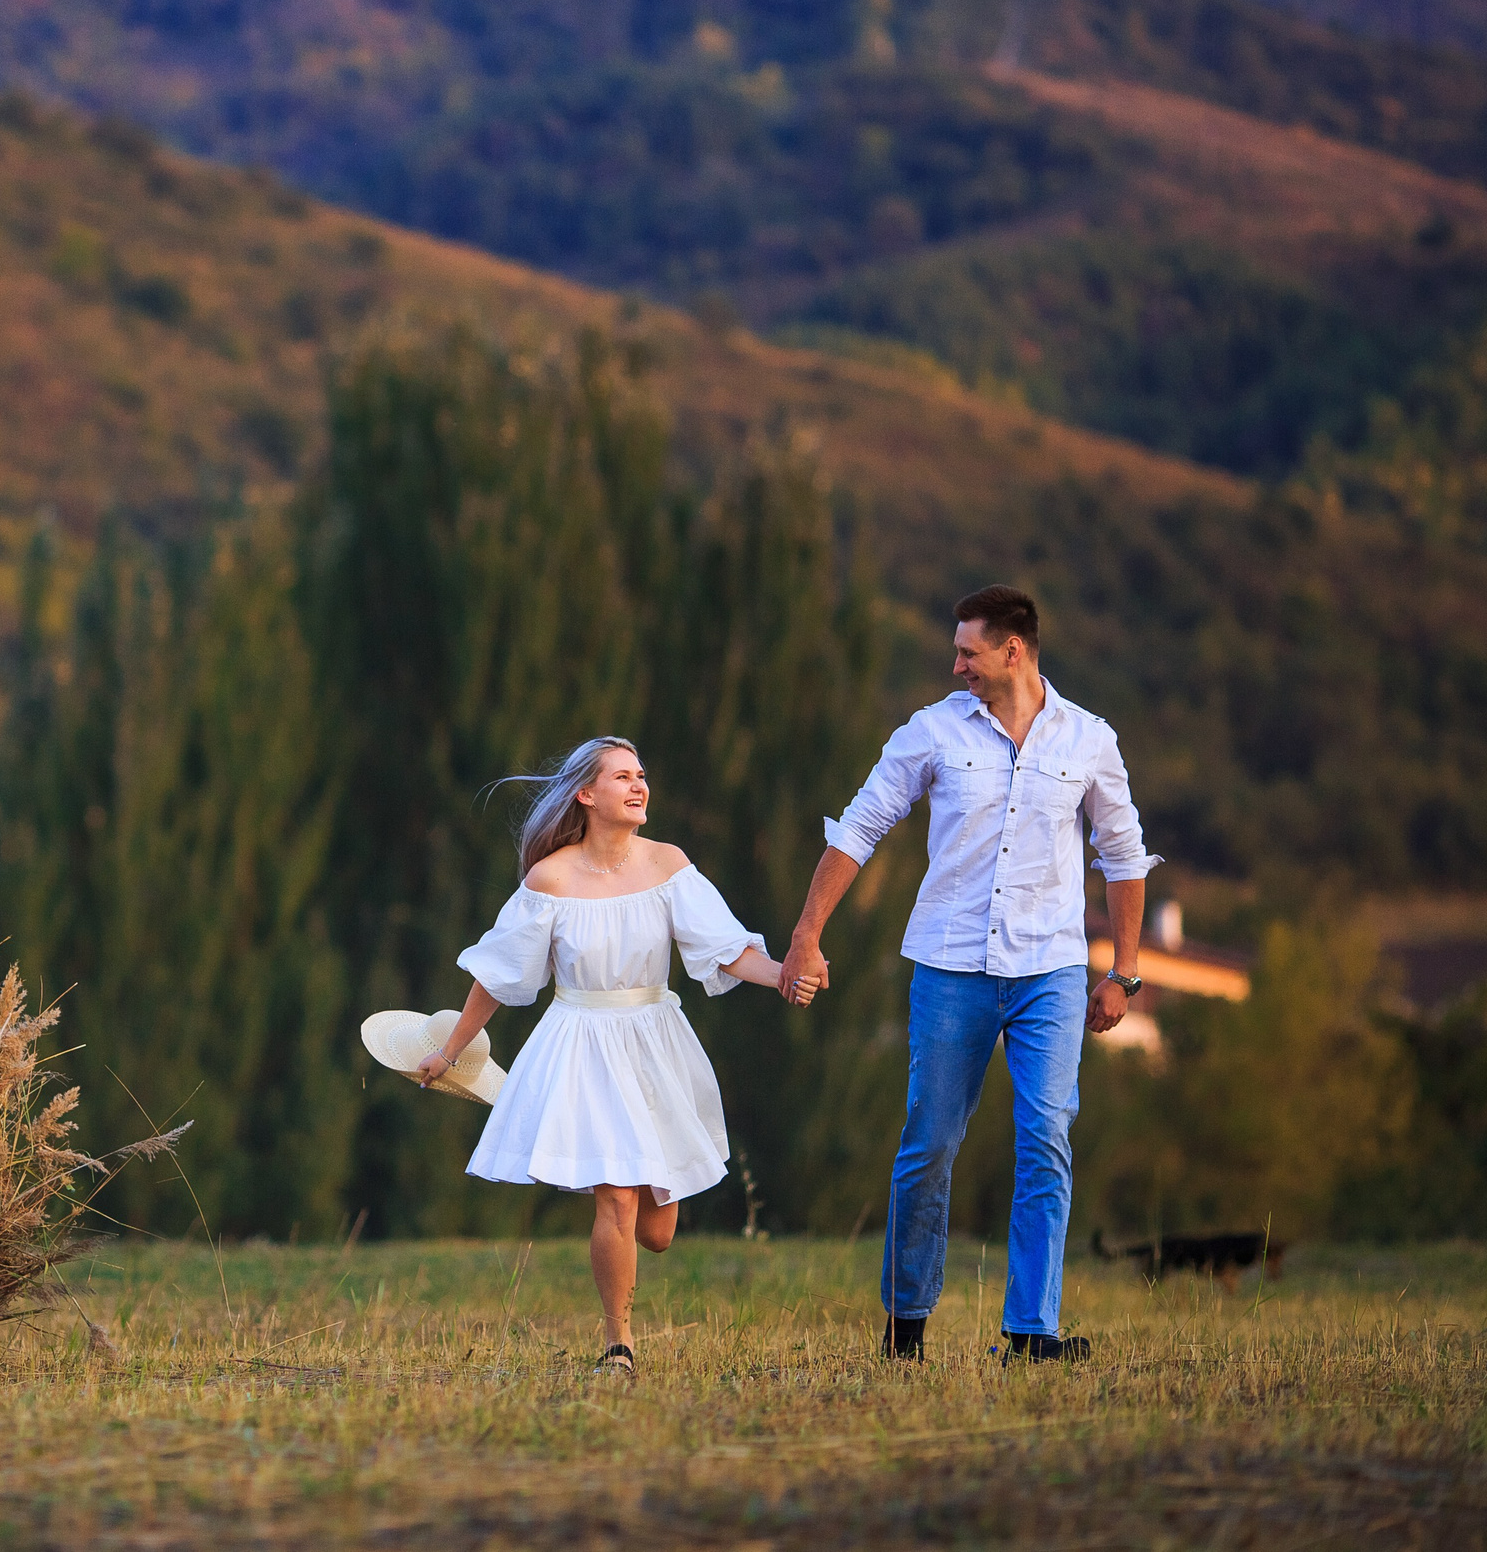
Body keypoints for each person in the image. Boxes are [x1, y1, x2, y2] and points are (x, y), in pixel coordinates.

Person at [779, 585, 1157, 1364]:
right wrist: (806, 934)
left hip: (1050, 966)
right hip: (950, 966)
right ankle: (906, 1327)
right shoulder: (931, 733)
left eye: (969, 653)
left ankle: (1030, 1332)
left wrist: (1125, 972)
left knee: (1046, 1136)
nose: (956, 666)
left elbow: (1121, 852)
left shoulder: (1088, 739)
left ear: (1012, 650)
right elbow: (860, 826)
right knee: (930, 1143)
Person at [415, 737, 821, 1375]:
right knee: (617, 1197)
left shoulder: (667, 865)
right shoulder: (551, 877)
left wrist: (782, 975)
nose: (640, 786)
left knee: (655, 1233)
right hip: (582, 1040)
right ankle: (619, 1345)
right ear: (586, 794)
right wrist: (448, 1051)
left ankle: (629, 1267)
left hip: (655, 1040)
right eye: (623, 776)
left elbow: (723, 948)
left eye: (642, 775)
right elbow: (498, 975)